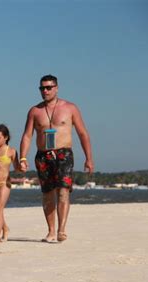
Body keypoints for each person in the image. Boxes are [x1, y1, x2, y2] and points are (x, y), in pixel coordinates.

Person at [19, 74, 94, 243]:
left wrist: (89, 158)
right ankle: (51, 230)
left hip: (63, 154)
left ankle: (62, 229)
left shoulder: (70, 108)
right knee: (47, 194)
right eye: (42, 88)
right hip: (43, 156)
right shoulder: (35, 111)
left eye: (48, 87)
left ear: (56, 88)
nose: (45, 91)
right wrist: (23, 158)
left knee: (63, 191)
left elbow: (83, 133)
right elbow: (27, 136)